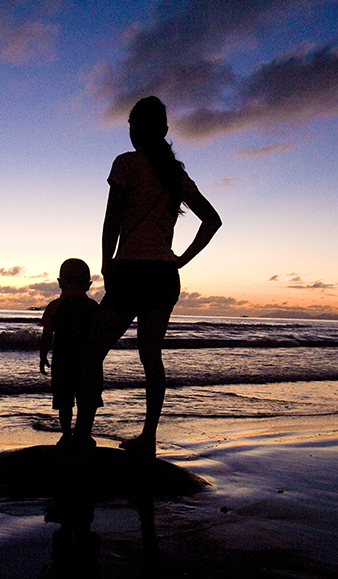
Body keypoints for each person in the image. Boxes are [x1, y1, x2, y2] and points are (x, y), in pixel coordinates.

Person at [75, 95, 222, 458]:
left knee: (92, 351)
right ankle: (148, 437)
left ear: (136, 130)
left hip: (131, 270)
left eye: (131, 126)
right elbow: (212, 221)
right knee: (150, 357)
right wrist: (180, 260)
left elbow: (112, 220)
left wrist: (106, 264)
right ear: (165, 130)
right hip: (163, 275)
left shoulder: (126, 163)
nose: (130, 132)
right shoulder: (177, 176)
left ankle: (82, 434)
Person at [40, 258, 101, 447]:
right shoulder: (93, 307)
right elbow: (102, 335)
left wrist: (43, 356)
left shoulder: (54, 306)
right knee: (87, 400)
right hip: (89, 361)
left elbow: (47, 334)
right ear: (89, 285)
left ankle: (66, 434)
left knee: (64, 400)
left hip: (63, 361)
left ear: (60, 283)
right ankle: (84, 434)